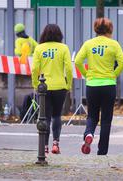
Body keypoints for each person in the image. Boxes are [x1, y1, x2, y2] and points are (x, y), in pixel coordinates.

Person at [75, 17, 123, 155]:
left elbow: (78, 61)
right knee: (106, 119)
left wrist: (87, 75)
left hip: (92, 84)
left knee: (92, 115)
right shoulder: (114, 44)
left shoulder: (88, 44)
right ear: (110, 29)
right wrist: (113, 75)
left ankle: (89, 134)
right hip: (108, 84)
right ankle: (102, 151)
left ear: (95, 29)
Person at [31, 24, 73, 154]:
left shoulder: (39, 48)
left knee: (45, 117)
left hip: (44, 88)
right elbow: (69, 68)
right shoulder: (64, 48)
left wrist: (36, 84)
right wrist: (68, 84)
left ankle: (44, 147)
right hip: (60, 86)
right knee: (56, 116)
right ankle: (56, 143)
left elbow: (34, 69)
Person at [14, 23, 38, 121]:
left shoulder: (18, 40)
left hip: (23, 65)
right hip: (32, 64)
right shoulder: (30, 39)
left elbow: (19, 52)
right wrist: (31, 54)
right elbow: (38, 47)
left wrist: (16, 51)